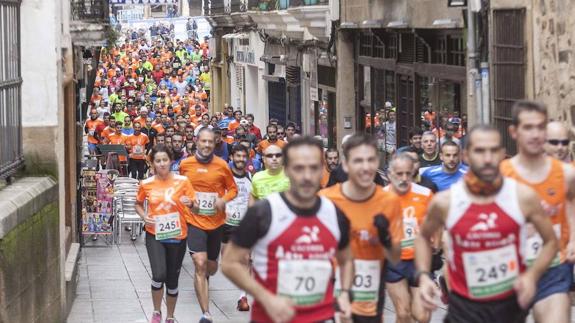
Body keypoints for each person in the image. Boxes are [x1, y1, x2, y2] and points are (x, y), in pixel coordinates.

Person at [415, 124, 559, 323]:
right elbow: (422, 237)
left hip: (509, 306)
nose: (487, 158)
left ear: (502, 154)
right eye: (480, 151)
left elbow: (551, 241)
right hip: (464, 308)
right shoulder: (445, 202)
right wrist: (423, 276)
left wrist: (532, 276)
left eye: (493, 150)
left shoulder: (522, 197)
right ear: (466, 155)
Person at [221, 136, 354, 323]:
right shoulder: (263, 212)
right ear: (288, 169)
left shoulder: (334, 213)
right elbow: (229, 263)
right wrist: (265, 297)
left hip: (321, 316)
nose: (307, 176)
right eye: (299, 168)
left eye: (314, 168)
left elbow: (347, 260)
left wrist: (344, 294)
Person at [500, 101, 575, 323]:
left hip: (554, 267)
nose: (535, 134)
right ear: (514, 132)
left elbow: (571, 204)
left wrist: (572, 240)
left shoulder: (567, 174)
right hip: (510, 271)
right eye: (528, 128)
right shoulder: (501, 176)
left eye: (540, 128)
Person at [319, 134, 402, 323]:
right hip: (331, 284)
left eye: (371, 160)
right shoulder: (325, 200)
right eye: (358, 161)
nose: (365, 167)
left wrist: (386, 238)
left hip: (369, 289)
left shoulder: (389, 201)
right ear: (346, 164)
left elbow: (395, 257)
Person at [179, 128, 238, 323]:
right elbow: (179, 188)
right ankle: (206, 313)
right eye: (203, 141)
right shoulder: (185, 164)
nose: (206, 145)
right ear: (196, 142)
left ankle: (206, 277)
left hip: (216, 222)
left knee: (211, 267)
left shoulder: (222, 165)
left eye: (210, 142)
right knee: (200, 263)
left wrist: (223, 200)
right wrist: (185, 200)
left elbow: (233, 189)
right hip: (194, 220)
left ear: (215, 144)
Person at [135, 144, 196, 323]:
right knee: (159, 274)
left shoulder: (183, 181)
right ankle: (156, 312)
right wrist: (144, 216)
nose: (161, 164)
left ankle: (169, 315)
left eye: (165, 160)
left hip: (178, 234)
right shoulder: (146, 184)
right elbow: (138, 204)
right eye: (158, 161)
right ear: (152, 163)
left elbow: (195, 204)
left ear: (171, 161)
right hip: (155, 233)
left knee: (172, 279)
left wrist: (190, 203)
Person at [382, 153, 434, 323]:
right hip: (394, 261)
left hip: (420, 261)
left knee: (422, 316)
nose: (404, 178)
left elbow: (437, 223)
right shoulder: (380, 198)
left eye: (408, 174)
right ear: (390, 174)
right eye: (399, 174)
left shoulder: (425, 195)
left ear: (413, 173)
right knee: (403, 313)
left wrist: (436, 241)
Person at [221, 145, 252, 312]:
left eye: (243, 156)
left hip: (244, 225)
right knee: (226, 260)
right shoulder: (224, 176)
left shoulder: (250, 176)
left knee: (245, 259)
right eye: (237, 156)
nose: (241, 159)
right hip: (225, 224)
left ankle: (243, 297)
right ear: (232, 157)